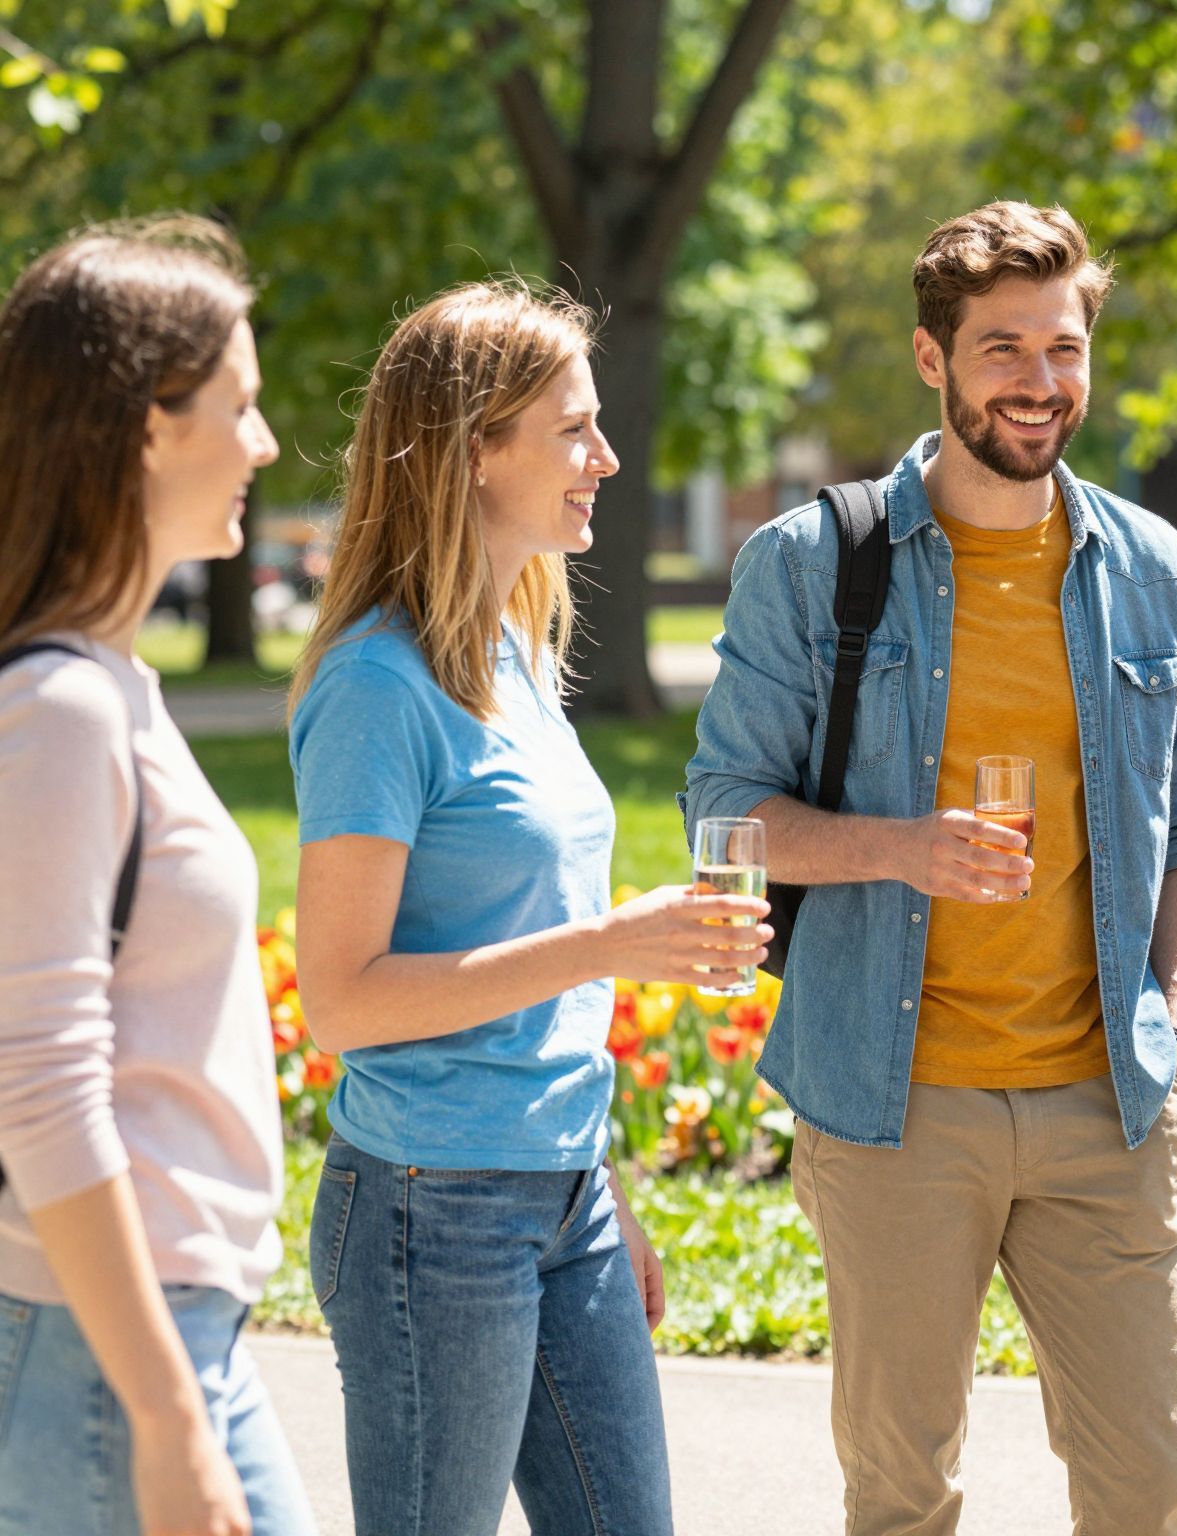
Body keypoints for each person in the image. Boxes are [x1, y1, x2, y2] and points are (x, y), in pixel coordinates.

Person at [686, 201, 1177, 1536]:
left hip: (1106, 1100)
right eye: (1002, 348)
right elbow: (725, 813)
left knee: (1153, 1492)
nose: (1039, 382)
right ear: (932, 358)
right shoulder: (811, 564)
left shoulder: (1154, 570)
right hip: (894, 1106)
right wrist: (903, 849)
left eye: (1064, 346)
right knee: (903, 1494)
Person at [288, 282, 772, 1535]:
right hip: (429, 1204)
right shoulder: (376, 686)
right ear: (473, 450)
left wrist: (595, 1182)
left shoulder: (514, 653)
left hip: (562, 1192)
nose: (605, 457)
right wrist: (608, 944)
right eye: (572, 430)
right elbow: (341, 1000)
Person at [0, 217, 312, 1536]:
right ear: (145, 429)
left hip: (154, 1342)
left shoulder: (110, 686)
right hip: (111, 1357)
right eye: (238, 406)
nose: (266, 443)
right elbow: (40, 1086)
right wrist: (165, 1414)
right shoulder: (61, 711)